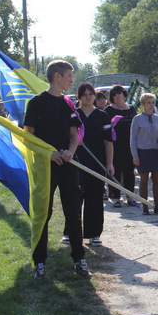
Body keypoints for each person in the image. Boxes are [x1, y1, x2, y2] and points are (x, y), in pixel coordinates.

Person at [23, 59, 90, 279]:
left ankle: (79, 259)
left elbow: (74, 135)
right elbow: (28, 138)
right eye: (69, 76)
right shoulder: (36, 103)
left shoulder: (69, 104)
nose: (72, 80)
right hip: (45, 166)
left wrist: (70, 151)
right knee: (44, 212)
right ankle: (39, 262)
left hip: (68, 164)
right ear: (57, 77)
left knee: (73, 211)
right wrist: (49, 154)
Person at [73, 82, 114, 246]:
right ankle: (72, 232)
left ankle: (94, 233)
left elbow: (108, 142)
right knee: (75, 198)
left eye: (91, 94)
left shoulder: (103, 116)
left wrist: (109, 164)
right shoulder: (73, 115)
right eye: (84, 95)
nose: (88, 97)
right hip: (76, 161)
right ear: (79, 97)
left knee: (95, 197)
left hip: (97, 161)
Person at [130, 93, 158, 215]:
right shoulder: (137, 119)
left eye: (153, 102)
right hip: (143, 152)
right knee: (143, 180)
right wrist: (135, 155)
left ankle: (157, 206)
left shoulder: (157, 118)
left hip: (155, 151)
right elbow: (133, 138)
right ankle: (145, 206)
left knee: (156, 180)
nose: (151, 105)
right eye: (148, 103)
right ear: (143, 104)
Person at [105, 85, 137, 207]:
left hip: (130, 144)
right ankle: (116, 197)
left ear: (124, 94)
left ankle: (130, 196)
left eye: (119, 92)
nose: (117, 95)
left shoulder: (131, 108)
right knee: (115, 170)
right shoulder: (109, 110)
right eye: (114, 93)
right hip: (114, 145)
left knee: (129, 171)